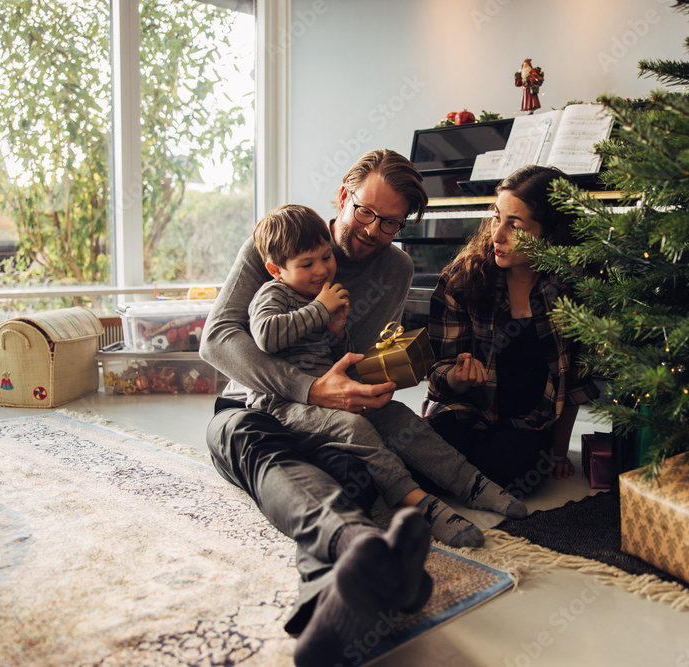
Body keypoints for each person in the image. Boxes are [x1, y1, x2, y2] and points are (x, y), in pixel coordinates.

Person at [200, 150, 511, 667]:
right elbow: (218, 340)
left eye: (391, 222)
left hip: (337, 417)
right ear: (344, 196)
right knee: (268, 456)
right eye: (365, 211)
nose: (373, 229)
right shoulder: (280, 240)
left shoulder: (396, 267)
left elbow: (357, 360)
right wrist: (309, 390)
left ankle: (345, 584)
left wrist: (376, 383)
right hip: (251, 406)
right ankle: (360, 548)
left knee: (354, 472)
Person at [246, 203, 526, 548]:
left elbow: (338, 358)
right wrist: (320, 311)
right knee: (356, 428)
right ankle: (420, 506)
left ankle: (471, 483)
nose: (321, 270)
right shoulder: (272, 295)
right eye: (307, 264)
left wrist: (336, 333)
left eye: (325, 257)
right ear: (276, 269)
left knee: (398, 416)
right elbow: (266, 336)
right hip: (282, 403)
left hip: (332, 391)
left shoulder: (321, 295)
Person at [424, 164, 599, 497]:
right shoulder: (462, 278)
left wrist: (559, 451)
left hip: (529, 419)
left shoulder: (572, 286)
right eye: (495, 216)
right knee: (440, 444)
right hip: (468, 407)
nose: (497, 235)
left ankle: (455, 474)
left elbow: (575, 381)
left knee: (514, 473)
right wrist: (457, 379)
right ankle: (450, 469)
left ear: (548, 234)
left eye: (514, 225)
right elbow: (437, 373)